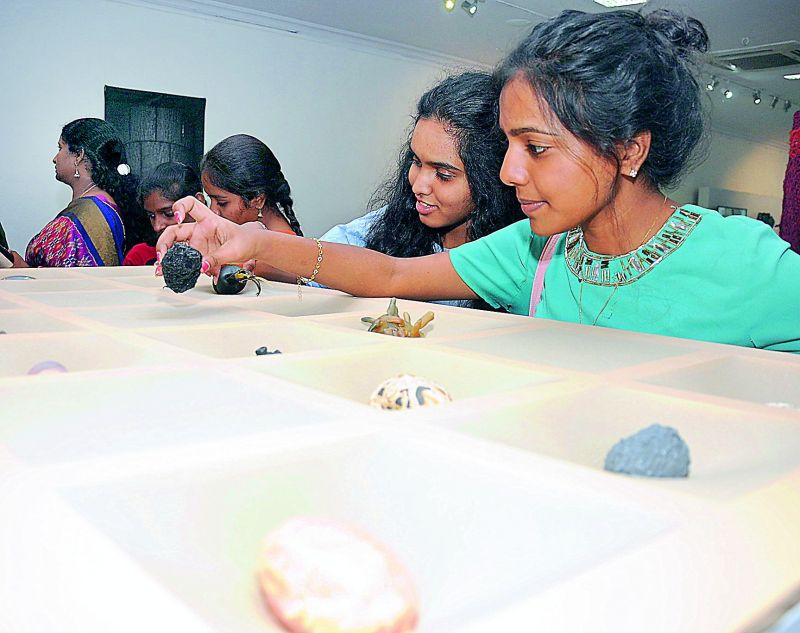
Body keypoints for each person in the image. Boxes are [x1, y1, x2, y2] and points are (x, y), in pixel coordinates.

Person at [157, 9, 800, 353]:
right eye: (508, 143)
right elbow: (392, 276)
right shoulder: (540, 251)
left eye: (536, 147)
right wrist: (246, 243)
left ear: (629, 150)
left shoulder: (746, 264)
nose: (509, 171)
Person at [319, 71, 521, 307]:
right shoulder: (394, 220)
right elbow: (323, 258)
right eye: (416, 162)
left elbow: (389, 275)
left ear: (493, 179)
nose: (418, 185)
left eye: (443, 175)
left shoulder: (519, 252)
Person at [23, 118, 142, 268]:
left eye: (60, 148)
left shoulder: (94, 214)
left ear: (79, 155)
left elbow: (79, 281)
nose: (55, 158)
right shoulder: (91, 206)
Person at [200, 134, 302, 236]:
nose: (212, 211)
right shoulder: (249, 239)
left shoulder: (276, 249)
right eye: (210, 199)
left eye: (221, 202)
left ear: (258, 200)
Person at [123, 162, 204, 266]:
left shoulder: (223, 251)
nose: (157, 226)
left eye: (168, 213)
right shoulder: (140, 257)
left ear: (198, 202)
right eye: (151, 216)